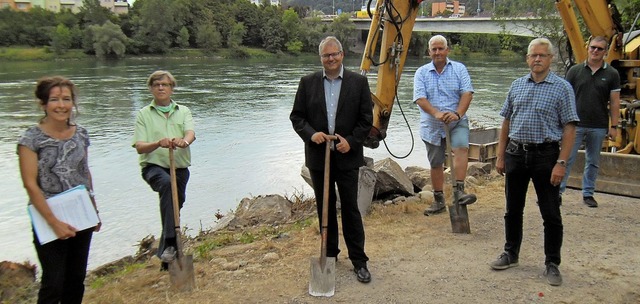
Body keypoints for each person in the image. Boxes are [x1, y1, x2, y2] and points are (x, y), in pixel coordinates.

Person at [490, 38, 579, 287]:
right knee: (512, 209)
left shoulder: (562, 88)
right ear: (527, 59)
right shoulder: (517, 85)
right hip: (516, 153)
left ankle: (552, 263)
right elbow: (506, 122)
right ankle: (511, 254)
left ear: (551, 59)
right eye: (533, 55)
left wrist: (562, 162)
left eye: (542, 55)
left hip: (546, 156)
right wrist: (500, 155)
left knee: (550, 212)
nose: (537, 59)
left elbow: (569, 128)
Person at [290, 36, 373, 283]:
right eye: (326, 55)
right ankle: (329, 256)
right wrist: (312, 134)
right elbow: (297, 117)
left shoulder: (358, 82)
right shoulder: (308, 83)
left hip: (347, 156)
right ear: (321, 58)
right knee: (324, 209)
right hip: (318, 157)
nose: (331, 59)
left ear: (342, 54)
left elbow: (366, 120)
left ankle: (359, 261)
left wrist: (351, 140)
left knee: (350, 209)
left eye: (334, 54)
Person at [18, 76, 101, 303]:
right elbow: (30, 184)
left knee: (75, 280)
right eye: (54, 99)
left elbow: (85, 173)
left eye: (66, 99)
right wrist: (53, 222)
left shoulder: (81, 134)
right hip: (47, 217)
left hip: (80, 214)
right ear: (43, 104)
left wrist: (94, 211)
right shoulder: (30, 138)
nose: (61, 105)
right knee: (53, 283)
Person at [133, 70, 195, 271]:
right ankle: (170, 243)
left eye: (165, 85)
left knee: (174, 209)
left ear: (171, 88)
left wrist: (183, 142)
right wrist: (158, 143)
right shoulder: (143, 114)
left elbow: (190, 133)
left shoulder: (183, 111)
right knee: (167, 187)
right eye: (157, 85)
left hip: (180, 166)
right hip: (154, 167)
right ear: (151, 89)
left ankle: (167, 260)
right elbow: (140, 146)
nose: (161, 88)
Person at [413, 34, 476, 216]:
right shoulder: (421, 73)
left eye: (441, 48)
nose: (438, 52)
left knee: (461, 148)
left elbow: (467, 93)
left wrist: (457, 113)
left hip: (457, 122)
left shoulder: (459, 69)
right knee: (436, 163)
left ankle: (459, 192)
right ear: (429, 52)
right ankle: (439, 200)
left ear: (447, 50)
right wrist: (436, 113)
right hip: (431, 125)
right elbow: (420, 98)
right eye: (434, 49)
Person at [559, 36, 621, 208]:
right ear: (587, 48)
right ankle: (557, 193)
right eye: (593, 47)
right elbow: (564, 97)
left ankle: (588, 193)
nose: (595, 51)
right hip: (574, 125)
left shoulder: (612, 74)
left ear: (606, 52)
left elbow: (615, 102)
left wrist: (614, 126)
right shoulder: (575, 71)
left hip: (598, 125)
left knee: (593, 161)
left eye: (599, 49)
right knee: (566, 158)